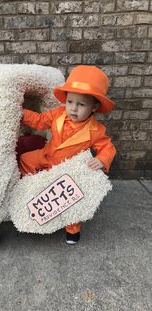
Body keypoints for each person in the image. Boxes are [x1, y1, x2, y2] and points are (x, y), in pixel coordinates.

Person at [20, 65, 116, 245]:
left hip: (68, 169)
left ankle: (72, 230)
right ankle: (29, 188)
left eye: (81, 104)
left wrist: (101, 159)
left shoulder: (95, 130)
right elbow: (39, 121)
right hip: (48, 156)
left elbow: (107, 147)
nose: (73, 108)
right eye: (70, 102)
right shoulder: (58, 114)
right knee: (26, 159)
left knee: (71, 199)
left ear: (94, 107)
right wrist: (20, 112)